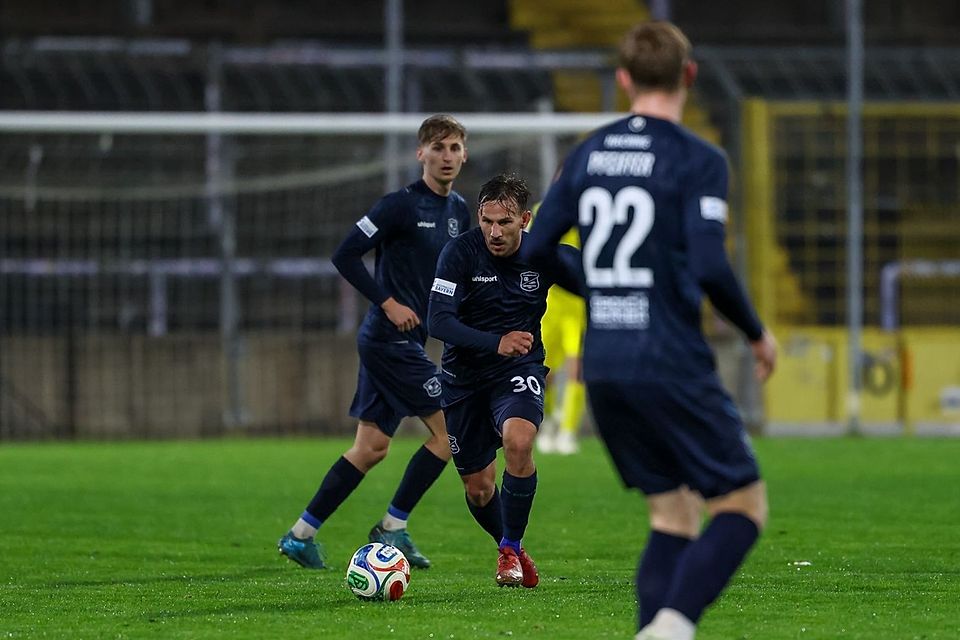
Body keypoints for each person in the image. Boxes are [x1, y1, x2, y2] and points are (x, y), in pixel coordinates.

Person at [525, 21, 778, 640]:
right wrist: (754, 332)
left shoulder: (586, 153)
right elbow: (712, 263)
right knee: (743, 507)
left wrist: (603, 285)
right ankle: (673, 624)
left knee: (672, 517)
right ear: (689, 76)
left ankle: (658, 627)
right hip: (669, 357)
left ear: (623, 80)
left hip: (607, 364)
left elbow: (534, 250)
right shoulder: (698, 159)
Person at [278, 114, 471, 570]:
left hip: (412, 343)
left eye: (455, 148)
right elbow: (344, 254)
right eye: (438, 148)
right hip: (388, 340)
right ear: (419, 153)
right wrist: (387, 302)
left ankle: (300, 535)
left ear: (465, 154)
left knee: (370, 449)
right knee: (454, 430)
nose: (447, 157)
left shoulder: (460, 211)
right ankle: (392, 528)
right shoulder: (398, 206)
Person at [427, 173, 583, 588]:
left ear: (526, 220)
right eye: (487, 222)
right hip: (463, 380)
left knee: (519, 441)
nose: (494, 233)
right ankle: (511, 546)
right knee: (478, 489)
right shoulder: (459, 253)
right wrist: (496, 342)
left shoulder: (543, 255)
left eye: (505, 223)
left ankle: (509, 550)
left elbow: (598, 284)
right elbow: (438, 320)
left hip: (519, 370)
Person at [531, 207, 587, 455]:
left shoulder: (587, 211)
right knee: (546, 371)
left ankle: (568, 430)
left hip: (576, 306)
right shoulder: (543, 210)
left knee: (576, 369)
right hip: (551, 304)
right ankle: (549, 421)